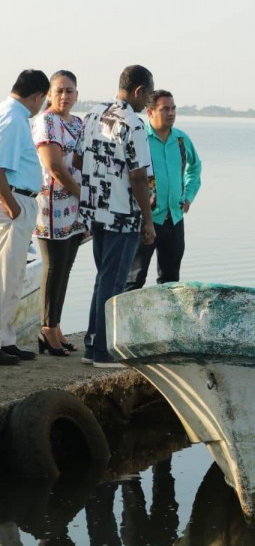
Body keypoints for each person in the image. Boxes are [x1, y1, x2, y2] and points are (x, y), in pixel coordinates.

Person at [74, 65, 155, 368]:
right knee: (115, 283)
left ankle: (91, 345)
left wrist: (102, 176)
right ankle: (105, 353)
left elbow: (79, 158)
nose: (148, 102)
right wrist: (148, 220)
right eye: (148, 94)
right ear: (138, 91)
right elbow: (138, 177)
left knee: (103, 279)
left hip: (96, 210)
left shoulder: (93, 114)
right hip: (123, 214)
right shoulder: (132, 123)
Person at [31, 70, 85, 357]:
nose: (65, 96)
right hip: (52, 205)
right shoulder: (45, 122)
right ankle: (46, 329)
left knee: (66, 267)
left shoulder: (77, 123)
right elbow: (54, 166)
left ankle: (56, 325)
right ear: (49, 94)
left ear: (77, 94)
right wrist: (80, 193)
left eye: (70, 91)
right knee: (53, 266)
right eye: (59, 91)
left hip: (75, 209)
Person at [125, 90, 202, 291]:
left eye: (173, 108)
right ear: (150, 112)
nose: (171, 113)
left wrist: (189, 196)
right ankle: (127, 321)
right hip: (146, 220)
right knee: (134, 280)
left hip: (174, 219)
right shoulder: (140, 139)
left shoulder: (181, 140)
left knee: (171, 282)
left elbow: (195, 167)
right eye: (165, 109)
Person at [0, 69, 50, 366]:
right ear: (37, 96)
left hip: (18, 199)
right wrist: (12, 206)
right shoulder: (15, 120)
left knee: (14, 274)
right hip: (14, 201)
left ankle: (6, 339)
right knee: (6, 275)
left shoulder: (12, 115)